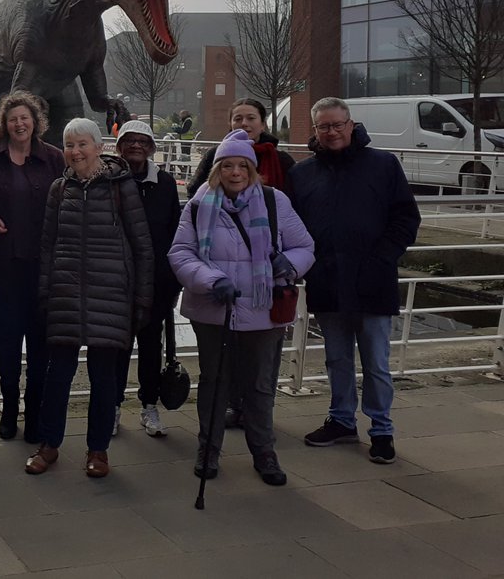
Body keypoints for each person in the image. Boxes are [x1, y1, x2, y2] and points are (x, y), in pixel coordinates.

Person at [169, 129, 315, 485]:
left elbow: (304, 245)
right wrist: (210, 280)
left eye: (242, 166)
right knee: (214, 382)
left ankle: (264, 451)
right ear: (218, 169)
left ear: (252, 169)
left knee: (260, 385)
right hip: (214, 309)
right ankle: (209, 448)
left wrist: (289, 264)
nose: (235, 172)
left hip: (263, 312)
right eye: (228, 165)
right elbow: (181, 252)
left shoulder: (273, 201)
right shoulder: (199, 205)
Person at [290, 97, 420, 465]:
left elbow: (406, 218)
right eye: (323, 127)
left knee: (376, 362)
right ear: (315, 130)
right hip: (327, 280)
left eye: (337, 124)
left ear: (351, 125)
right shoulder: (303, 174)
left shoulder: (383, 165)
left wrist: (383, 257)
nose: (331, 132)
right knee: (337, 359)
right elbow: (293, 227)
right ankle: (342, 419)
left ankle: (381, 429)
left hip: (373, 279)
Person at [24, 118, 154, 479]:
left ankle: (98, 450)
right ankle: (50, 444)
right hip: (66, 293)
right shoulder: (58, 189)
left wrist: (142, 299)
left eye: (82, 144)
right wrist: (45, 292)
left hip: (109, 294)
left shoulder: (120, 186)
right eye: (69, 145)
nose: (75, 151)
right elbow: (48, 245)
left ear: (99, 147)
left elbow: (142, 245)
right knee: (58, 375)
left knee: (104, 377)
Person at [187, 98, 299, 429]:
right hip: (224, 267)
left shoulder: (281, 160)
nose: (244, 123)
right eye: (238, 118)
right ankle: (233, 407)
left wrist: (286, 256)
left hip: (269, 269)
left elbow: (294, 209)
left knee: (264, 355)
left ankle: (257, 412)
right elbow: (197, 195)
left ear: (263, 123)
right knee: (224, 354)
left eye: (251, 118)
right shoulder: (215, 157)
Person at [0, 91, 64, 443]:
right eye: (13, 119)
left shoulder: (53, 158)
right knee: (8, 338)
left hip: (43, 265)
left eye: (25, 118)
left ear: (35, 121)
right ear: (3, 124)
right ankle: (8, 410)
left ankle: (34, 412)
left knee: (41, 343)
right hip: (5, 265)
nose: (19, 124)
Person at [113, 120, 182, 438]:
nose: (136, 146)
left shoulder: (165, 184)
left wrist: (172, 280)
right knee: (117, 348)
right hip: (118, 280)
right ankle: (111, 406)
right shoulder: (109, 181)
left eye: (143, 141)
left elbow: (174, 233)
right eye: (130, 141)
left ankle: (148, 405)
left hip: (155, 281)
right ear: (119, 147)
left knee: (151, 345)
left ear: (152, 148)